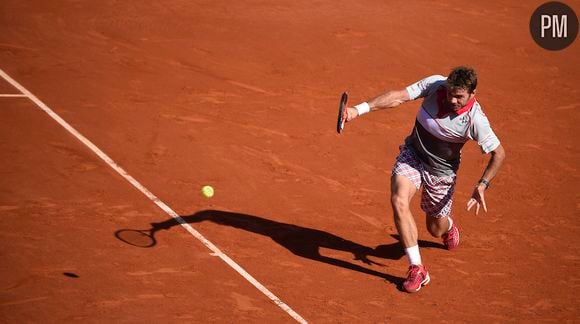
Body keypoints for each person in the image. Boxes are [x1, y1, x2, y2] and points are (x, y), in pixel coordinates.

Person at [345, 66, 506, 293]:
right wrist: (357, 110)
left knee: (434, 228)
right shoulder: (435, 85)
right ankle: (417, 268)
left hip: (441, 172)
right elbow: (399, 97)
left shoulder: (475, 120)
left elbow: (499, 154)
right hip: (413, 155)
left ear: (472, 94)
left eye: (458, 96)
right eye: (450, 92)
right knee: (398, 200)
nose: (452, 99)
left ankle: (448, 226)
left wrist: (482, 184)